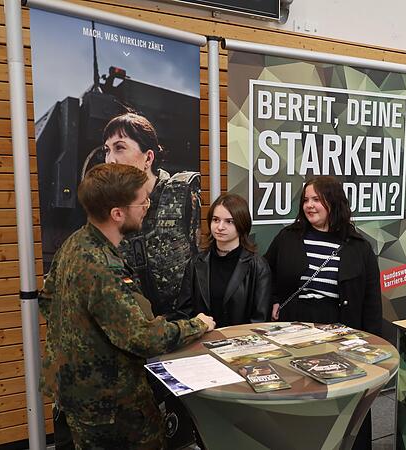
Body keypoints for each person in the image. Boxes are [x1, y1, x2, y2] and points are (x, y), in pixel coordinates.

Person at [39, 163, 216, 449]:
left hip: (78, 393)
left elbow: (47, 301)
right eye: (141, 200)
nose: (147, 205)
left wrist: (86, 340)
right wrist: (197, 324)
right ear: (117, 213)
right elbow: (141, 338)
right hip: (113, 406)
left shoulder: (75, 243)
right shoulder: (102, 267)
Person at [264, 175, 382, 450]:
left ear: (333, 202)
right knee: (299, 398)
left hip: (339, 331)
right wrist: (273, 300)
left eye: (317, 199)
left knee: (339, 400)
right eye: (306, 199)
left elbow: (371, 301)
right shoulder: (287, 237)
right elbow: (265, 274)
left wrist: (373, 345)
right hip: (293, 332)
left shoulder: (359, 247)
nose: (309, 205)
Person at [103, 112, 201, 320]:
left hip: (188, 327)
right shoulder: (113, 211)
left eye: (120, 147)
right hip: (140, 332)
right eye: (107, 150)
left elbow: (206, 266)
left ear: (148, 157)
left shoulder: (182, 194)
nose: (110, 160)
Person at [177, 193, 272, 326]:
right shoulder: (196, 264)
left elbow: (260, 320)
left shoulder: (258, 266)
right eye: (216, 220)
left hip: (242, 343)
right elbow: (184, 313)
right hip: (202, 342)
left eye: (229, 221)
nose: (220, 227)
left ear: (241, 224)